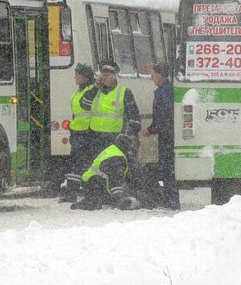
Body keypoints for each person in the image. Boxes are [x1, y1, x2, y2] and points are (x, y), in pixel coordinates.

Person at [141, 61, 180, 209]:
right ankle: (170, 199)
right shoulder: (163, 91)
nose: (152, 78)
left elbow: (164, 118)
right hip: (166, 135)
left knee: (168, 169)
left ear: (160, 75)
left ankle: (172, 201)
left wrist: (151, 129)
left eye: (153, 75)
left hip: (167, 136)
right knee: (166, 168)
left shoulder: (165, 92)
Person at [71, 134, 139, 210]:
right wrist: (118, 197)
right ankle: (87, 203)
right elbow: (115, 178)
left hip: (91, 181)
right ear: (125, 146)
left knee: (105, 200)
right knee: (101, 202)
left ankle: (91, 201)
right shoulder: (117, 157)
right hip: (94, 182)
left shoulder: (113, 150)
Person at [60, 63, 97, 202]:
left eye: (78, 74)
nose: (75, 77)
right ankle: (71, 193)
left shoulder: (91, 91)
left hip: (87, 133)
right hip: (77, 133)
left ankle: (85, 193)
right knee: (75, 165)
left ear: (85, 77)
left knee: (84, 165)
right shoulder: (79, 91)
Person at [89, 60, 141, 153]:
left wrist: (131, 134)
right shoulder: (95, 90)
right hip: (96, 139)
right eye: (102, 75)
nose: (103, 78)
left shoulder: (124, 92)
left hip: (115, 138)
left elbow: (134, 117)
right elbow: (83, 104)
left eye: (107, 75)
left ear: (113, 77)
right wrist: (95, 88)